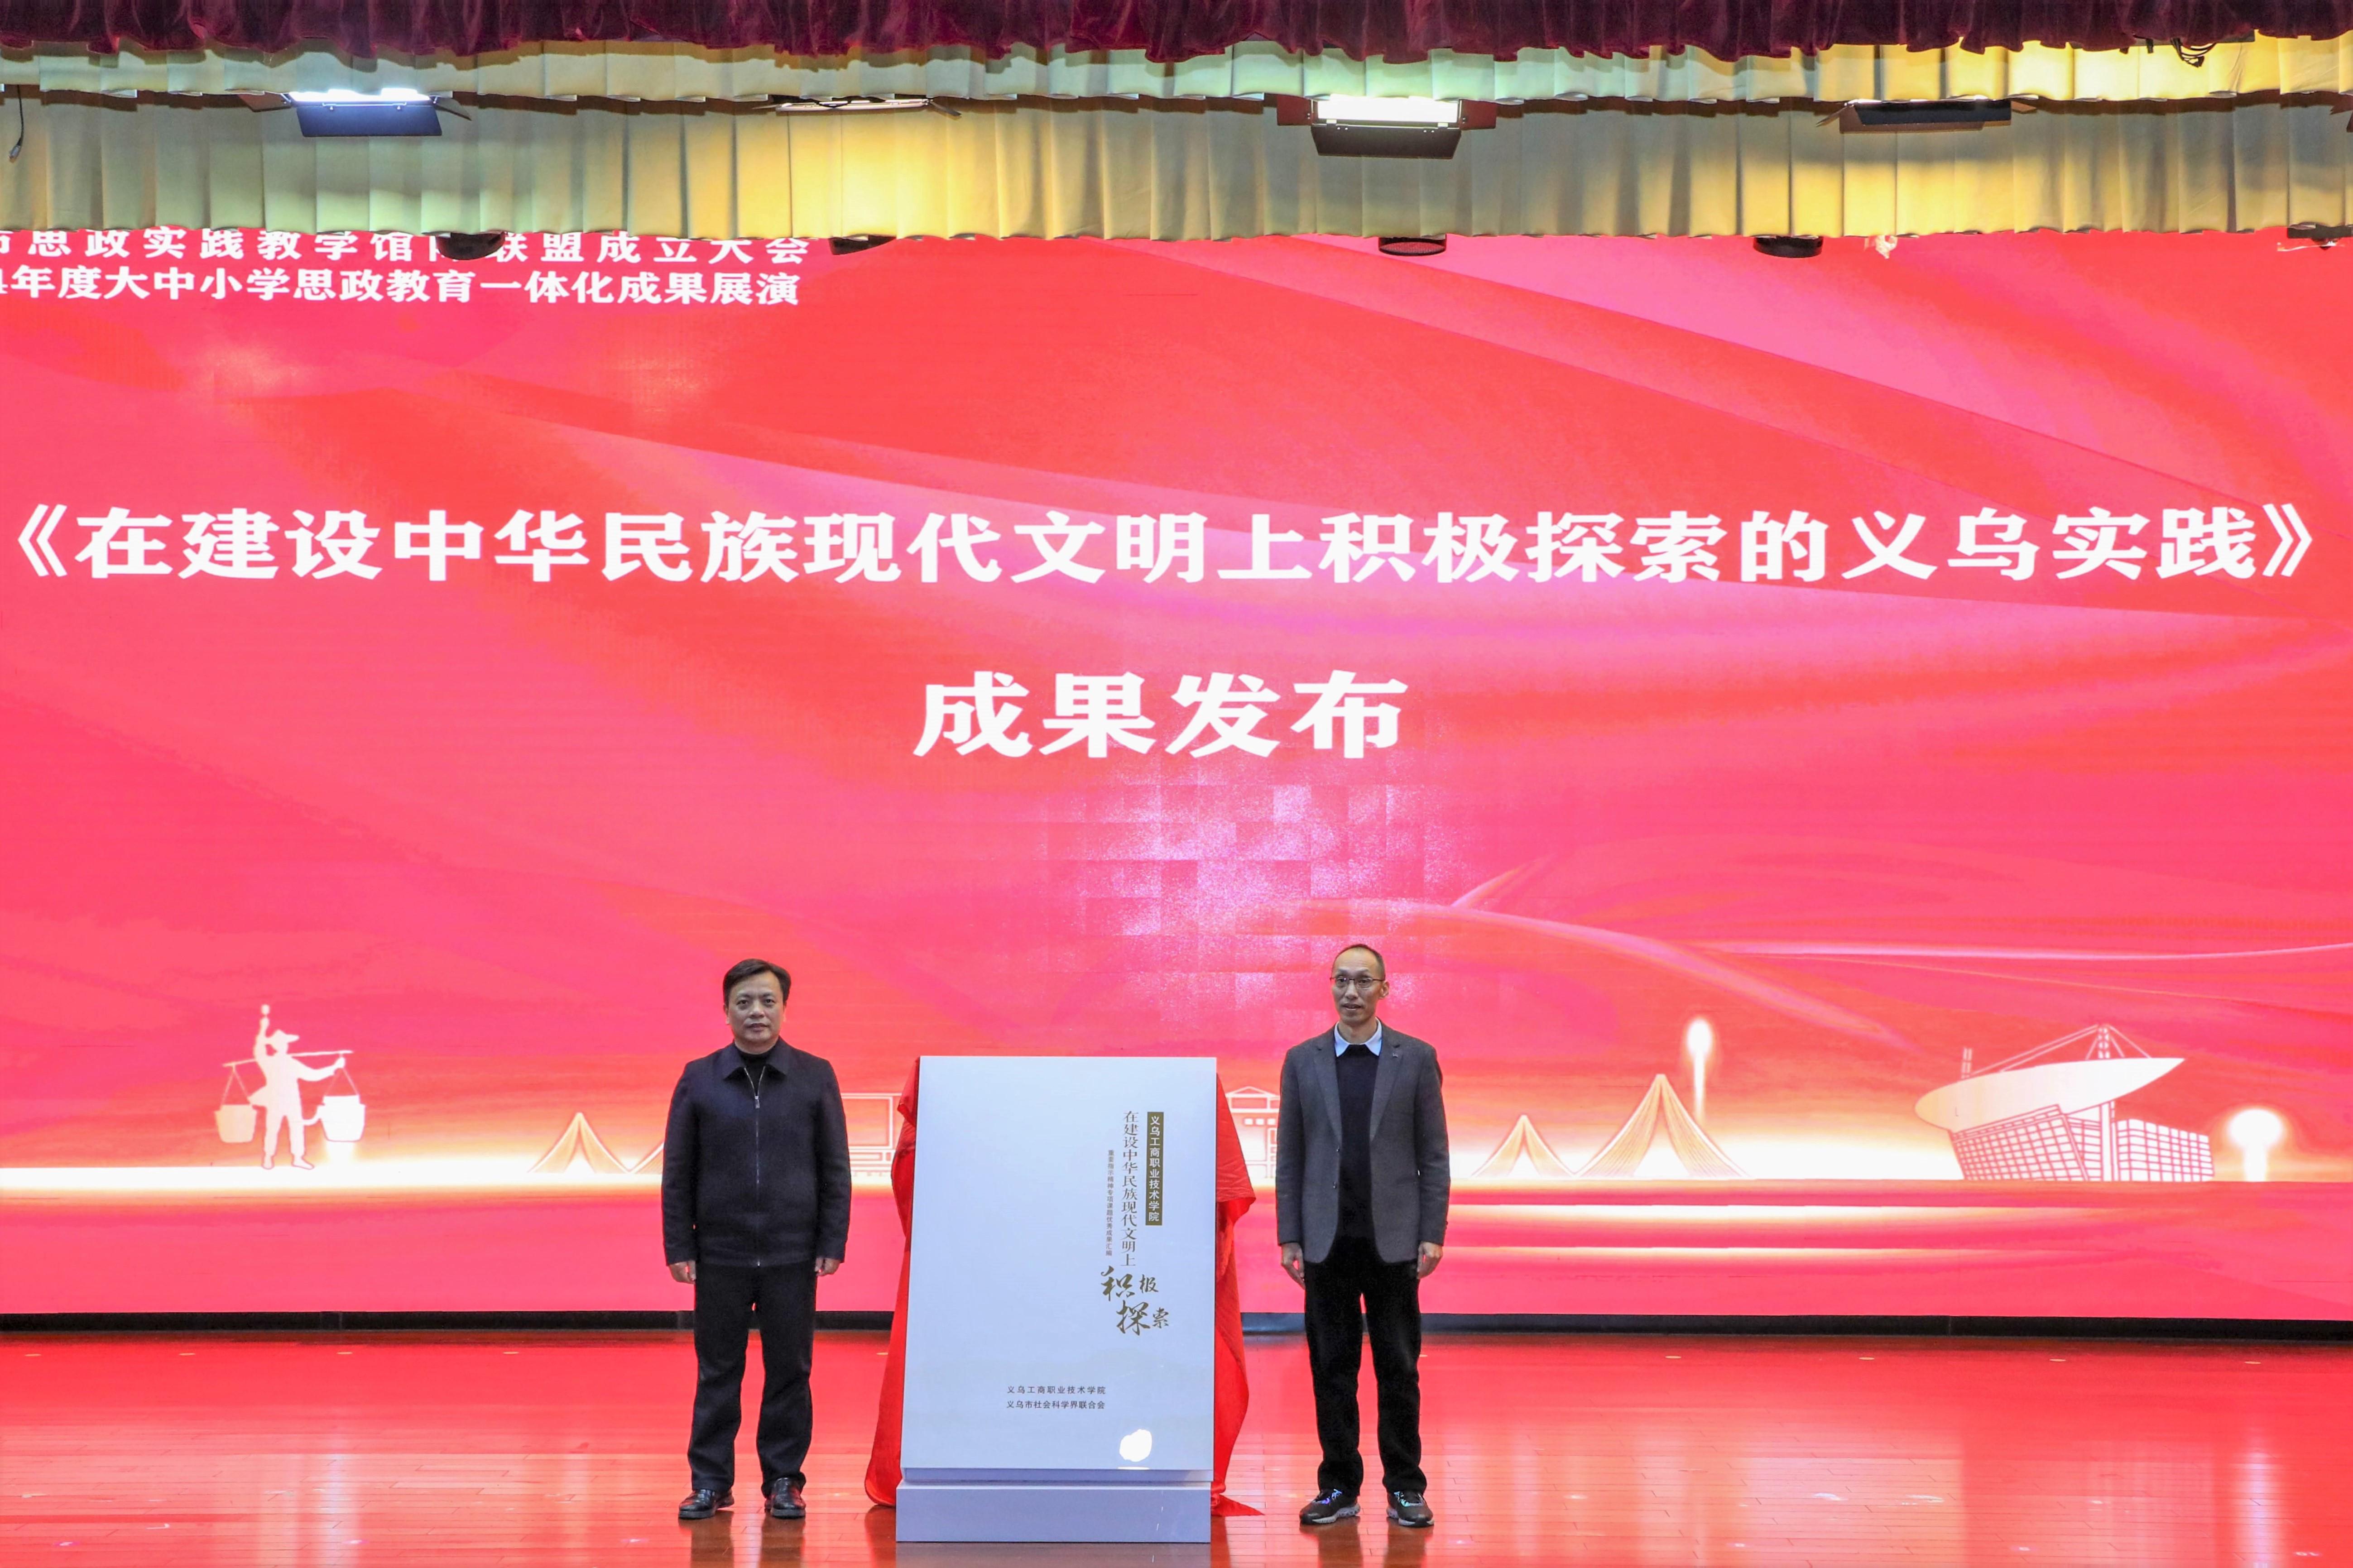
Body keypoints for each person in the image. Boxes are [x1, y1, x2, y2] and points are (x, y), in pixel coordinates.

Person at [662, 959, 851, 1523]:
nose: (757, 1012)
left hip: (793, 1252)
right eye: (744, 1002)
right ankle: (710, 1482)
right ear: (725, 1011)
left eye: (768, 1001)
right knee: (717, 1370)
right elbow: (678, 1171)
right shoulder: (699, 1078)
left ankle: (784, 1480)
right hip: (720, 1253)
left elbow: (835, 1166)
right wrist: (679, 1245)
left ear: (785, 1009)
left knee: (790, 1370)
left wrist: (832, 1238)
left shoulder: (815, 1075)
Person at [1274, 943, 1449, 1530]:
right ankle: (1338, 1485)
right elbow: (1291, 1157)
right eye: (1341, 980)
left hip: (1394, 1240)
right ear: (1331, 985)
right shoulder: (1302, 1060)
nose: (1351, 992)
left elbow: (1434, 1154)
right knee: (1332, 1369)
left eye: (1364, 981)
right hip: (1326, 1242)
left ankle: (1405, 1486)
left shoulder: (1416, 1058)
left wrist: (1432, 1231)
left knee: (1399, 1368)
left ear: (1384, 988)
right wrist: (1290, 1234)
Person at [248, 1005, 343, 1171]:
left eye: (285, 1043)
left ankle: (293, 1158)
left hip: (290, 1101)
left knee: (291, 1127)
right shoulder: (276, 1063)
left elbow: (312, 1075)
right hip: (278, 1100)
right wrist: (334, 1067)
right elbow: (313, 1075)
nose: (284, 1045)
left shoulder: (279, 1062)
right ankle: (270, 1157)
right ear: (279, 1046)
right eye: (282, 1043)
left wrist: (333, 1067)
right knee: (277, 1128)